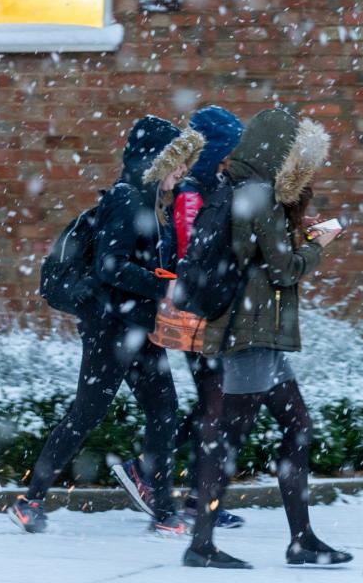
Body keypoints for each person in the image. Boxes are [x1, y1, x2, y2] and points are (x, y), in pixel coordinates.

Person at [8, 116, 201, 535]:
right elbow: (110, 266)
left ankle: (162, 505)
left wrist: (160, 283)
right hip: (110, 326)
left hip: (134, 323)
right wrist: (163, 285)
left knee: (163, 409)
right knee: (88, 412)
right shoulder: (130, 201)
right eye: (178, 162)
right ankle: (30, 499)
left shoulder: (146, 201)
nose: (183, 171)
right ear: (156, 160)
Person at [183, 109, 352, 569]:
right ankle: (201, 544)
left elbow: (260, 257)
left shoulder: (239, 188)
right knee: (228, 440)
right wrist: (320, 245)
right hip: (251, 336)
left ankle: (302, 540)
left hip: (259, 335)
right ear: (279, 152)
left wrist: (294, 224)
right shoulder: (259, 196)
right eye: (294, 153)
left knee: (298, 427)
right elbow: (284, 270)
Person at [112, 105, 247, 530]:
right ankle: (184, 492)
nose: (230, 160)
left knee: (218, 405)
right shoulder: (192, 193)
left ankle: (168, 479)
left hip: (214, 309)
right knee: (215, 405)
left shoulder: (215, 186)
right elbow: (194, 255)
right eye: (226, 152)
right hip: (197, 312)